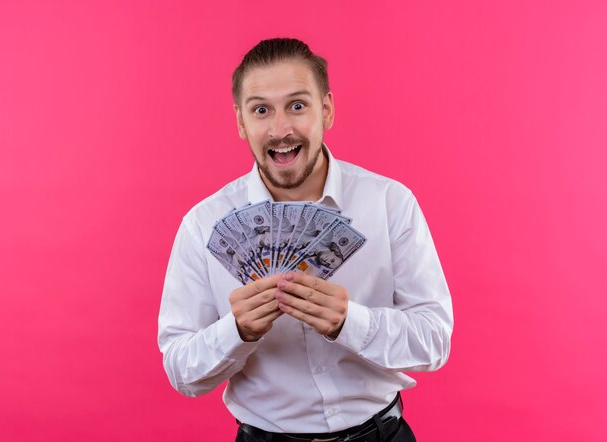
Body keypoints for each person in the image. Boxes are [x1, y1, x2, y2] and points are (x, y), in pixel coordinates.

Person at [158, 38, 453, 442]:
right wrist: (237, 331)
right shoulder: (203, 225)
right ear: (241, 121)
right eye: (261, 110)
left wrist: (350, 322)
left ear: (326, 110)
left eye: (298, 105)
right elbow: (180, 371)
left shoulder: (389, 203)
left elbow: (434, 340)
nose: (281, 130)